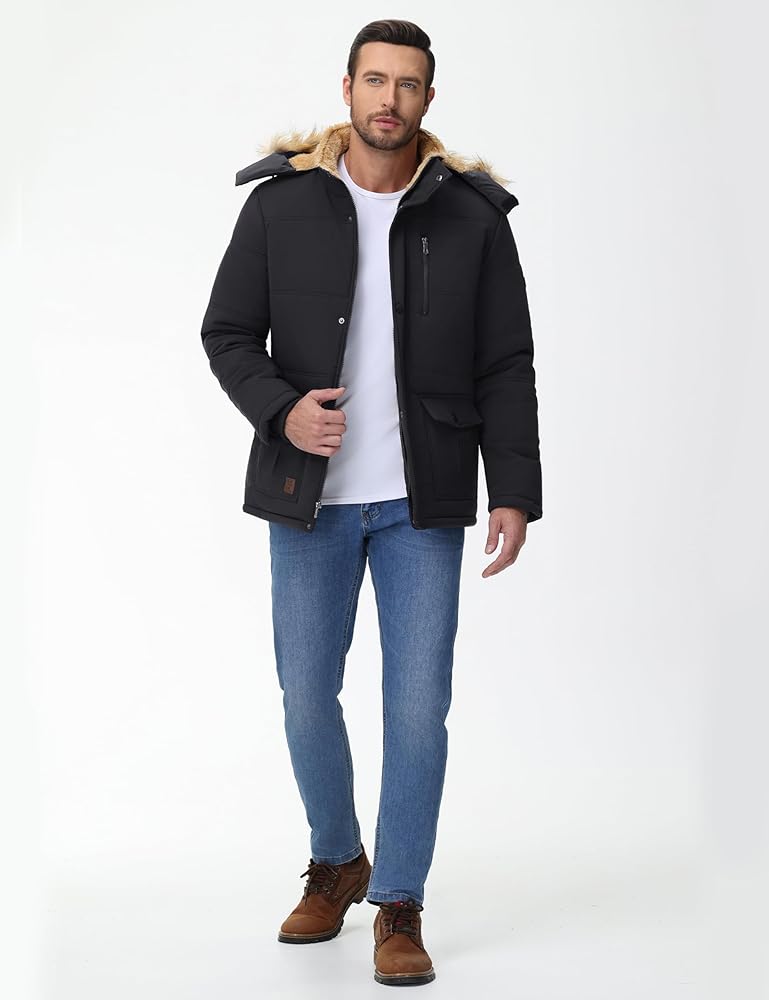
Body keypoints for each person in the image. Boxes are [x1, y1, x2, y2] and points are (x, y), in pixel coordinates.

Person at [201, 18, 542, 987]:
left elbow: (505, 362)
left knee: (418, 707)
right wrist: (282, 411)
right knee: (306, 695)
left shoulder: (472, 217)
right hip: (308, 500)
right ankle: (336, 856)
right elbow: (227, 333)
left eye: (408, 84)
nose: (389, 99)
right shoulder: (281, 205)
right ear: (346, 88)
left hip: (420, 502)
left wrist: (514, 489)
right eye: (375, 80)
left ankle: (398, 899)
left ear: (428, 99)